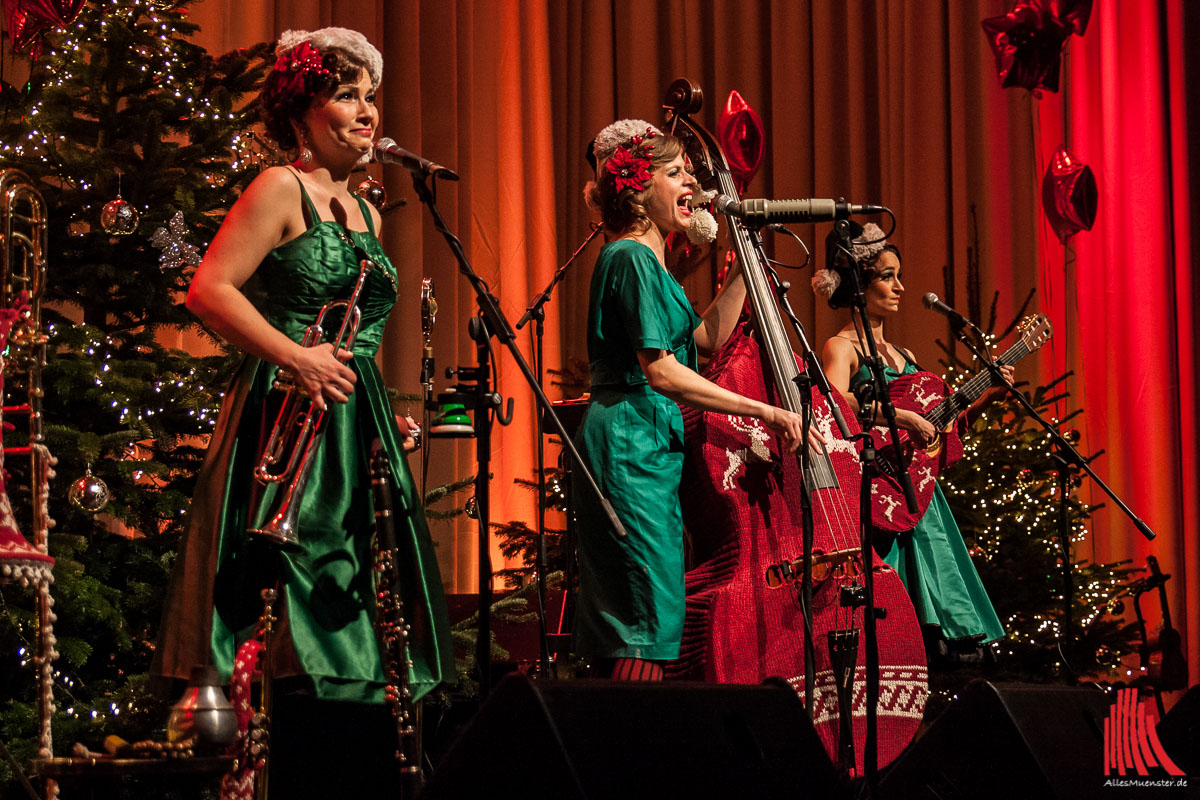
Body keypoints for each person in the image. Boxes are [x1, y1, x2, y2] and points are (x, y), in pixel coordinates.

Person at [153, 28, 453, 792]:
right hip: (287, 413)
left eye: (370, 96)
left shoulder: (366, 212)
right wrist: (295, 356)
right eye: (347, 94)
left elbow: (364, 328)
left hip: (355, 422)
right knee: (291, 610)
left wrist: (390, 415)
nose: (367, 110)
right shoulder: (278, 188)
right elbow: (209, 289)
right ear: (304, 109)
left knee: (360, 605)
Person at [573, 119, 820, 682]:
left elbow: (702, 341)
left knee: (654, 610)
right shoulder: (632, 257)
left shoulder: (650, 260)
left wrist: (745, 271)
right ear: (638, 189)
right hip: (630, 440)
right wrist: (766, 411)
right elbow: (662, 370)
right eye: (677, 172)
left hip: (648, 443)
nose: (695, 185)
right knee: (646, 614)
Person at [816, 223, 1007, 660]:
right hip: (879, 493)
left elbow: (936, 433)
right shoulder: (841, 346)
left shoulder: (905, 358)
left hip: (920, 495)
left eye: (899, 275)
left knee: (938, 647)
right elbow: (835, 401)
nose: (901, 286)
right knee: (889, 629)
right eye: (888, 276)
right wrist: (902, 415)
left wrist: (986, 397)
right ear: (862, 285)